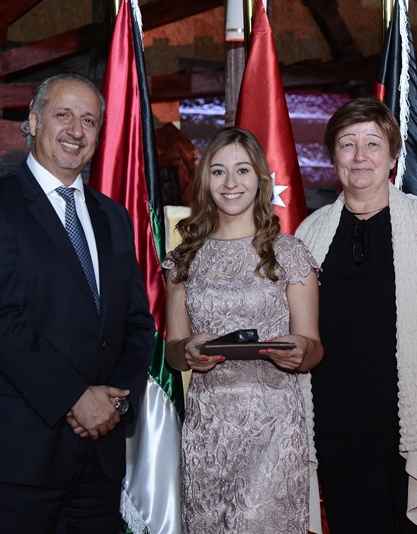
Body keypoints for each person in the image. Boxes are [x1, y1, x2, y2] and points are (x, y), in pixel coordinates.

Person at [0, 72, 154, 533]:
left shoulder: (114, 217)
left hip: (98, 460)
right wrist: (76, 399)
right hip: (15, 454)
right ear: (35, 121)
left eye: (89, 120)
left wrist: (115, 405)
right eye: (63, 115)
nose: (76, 130)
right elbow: (1, 322)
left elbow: (138, 325)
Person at [295, 97, 417, 534]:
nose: (360, 156)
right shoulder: (309, 232)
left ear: (393, 156)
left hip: (416, 436)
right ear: (333, 156)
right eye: (347, 144)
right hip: (336, 434)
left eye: (373, 144)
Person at [163, 127, 323, 533]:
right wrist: (189, 349)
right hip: (208, 427)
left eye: (242, 170)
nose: (230, 182)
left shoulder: (290, 254)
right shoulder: (183, 259)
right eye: (219, 171)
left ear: (260, 179)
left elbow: (314, 348)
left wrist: (300, 349)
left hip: (274, 425)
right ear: (206, 181)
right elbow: (173, 352)